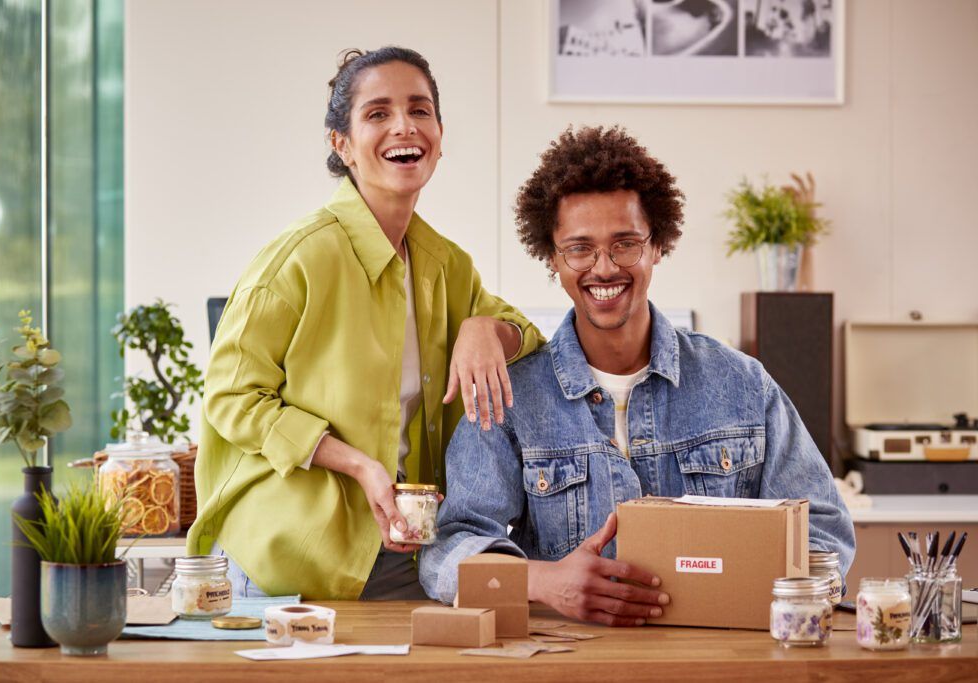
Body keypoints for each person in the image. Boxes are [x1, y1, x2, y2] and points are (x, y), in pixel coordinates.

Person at [419, 126, 854, 625]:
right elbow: (446, 551)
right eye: (579, 249)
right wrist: (543, 581)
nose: (603, 268)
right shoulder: (509, 396)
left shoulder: (742, 384)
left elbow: (823, 530)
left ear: (658, 247)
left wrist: (765, 601)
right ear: (553, 259)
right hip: (570, 663)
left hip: (722, 662)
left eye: (625, 244)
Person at [186, 46, 542, 600]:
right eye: (378, 113)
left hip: (403, 556)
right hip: (289, 565)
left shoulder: (447, 264)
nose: (404, 125)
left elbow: (526, 331)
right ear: (342, 144)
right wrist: (358, 465)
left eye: (420, 110)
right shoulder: (297, 258)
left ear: (440, 137)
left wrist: (486, 330)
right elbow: (231, 397)